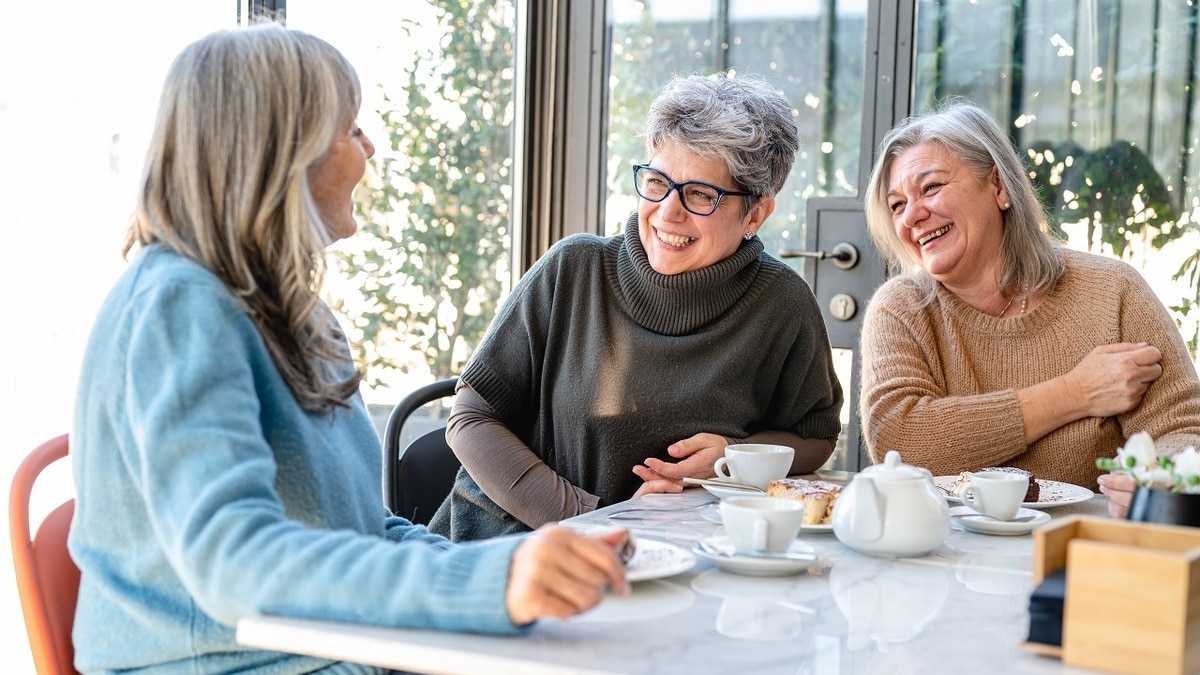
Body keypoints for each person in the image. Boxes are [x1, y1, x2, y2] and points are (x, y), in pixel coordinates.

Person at [69, 24, 629, 674]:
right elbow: (232, 560)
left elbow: (365, 528)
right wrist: (489, 583)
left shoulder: (301, 319)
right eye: (350, 129)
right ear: (280, 153)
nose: (369, 149)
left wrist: (511, 568)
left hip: (324, 651)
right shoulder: (179, 307)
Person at [430, 74, 844, 542]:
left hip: (681, 559)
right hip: (514, 549)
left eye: (701, 195)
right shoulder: (574, 269)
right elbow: (470, 418)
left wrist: (734, 455)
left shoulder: (781, 303)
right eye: (657, 181)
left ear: (755, 214)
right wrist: (598, 518)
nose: (668, 212)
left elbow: (814, 436)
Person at [858, 99, 1200, 518]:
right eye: (897, 205)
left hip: (1080, 548)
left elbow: (1182, 428)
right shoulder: (901, 309)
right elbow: (901, 441)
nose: (913, 215)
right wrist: (1077, 393)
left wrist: (1155, 477)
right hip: (942, 552)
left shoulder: (1114, 291)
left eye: (931, 187)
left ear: (998, 187)